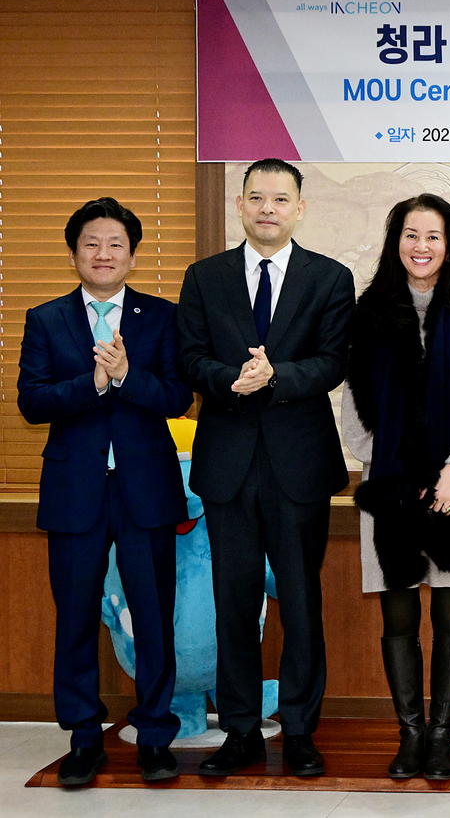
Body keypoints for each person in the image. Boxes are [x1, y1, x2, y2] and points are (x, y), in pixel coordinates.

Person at [177, 158, 355, 778]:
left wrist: (276, 377)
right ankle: (242, 730)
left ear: (300, 208)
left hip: (298, 465)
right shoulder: (205, 278)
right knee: (233, 602)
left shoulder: (330, 278)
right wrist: (233, 380)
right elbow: (189, 360)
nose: (268, 208)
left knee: (302, 601)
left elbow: (334, 361)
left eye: (281, 198)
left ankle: (301, 729)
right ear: (240, 204)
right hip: (227, 465)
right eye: (256, 197)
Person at [17, 197, 192, 785]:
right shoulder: (46, 319)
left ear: (132, 255)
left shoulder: (161, 317)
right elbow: (32, 402)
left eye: (115, 243)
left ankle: (155, 735)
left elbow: (176, 398)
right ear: (74, 253)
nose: (103, 253)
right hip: (75, 491)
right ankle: (85, 739)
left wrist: (125, 377)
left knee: (153, 616)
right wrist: (90, 384)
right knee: (74, 618)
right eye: (91, 243)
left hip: (145, 489)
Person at [342, 194, 450, 781]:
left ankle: (441, 738)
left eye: (433, 236)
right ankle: (409, 736)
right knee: (399, 618)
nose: (421, 247)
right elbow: (353, 408)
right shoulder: (369, 313)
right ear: (395, 242)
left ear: (449, 244)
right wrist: (387, 469)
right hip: (388, 491)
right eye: (411, 235)